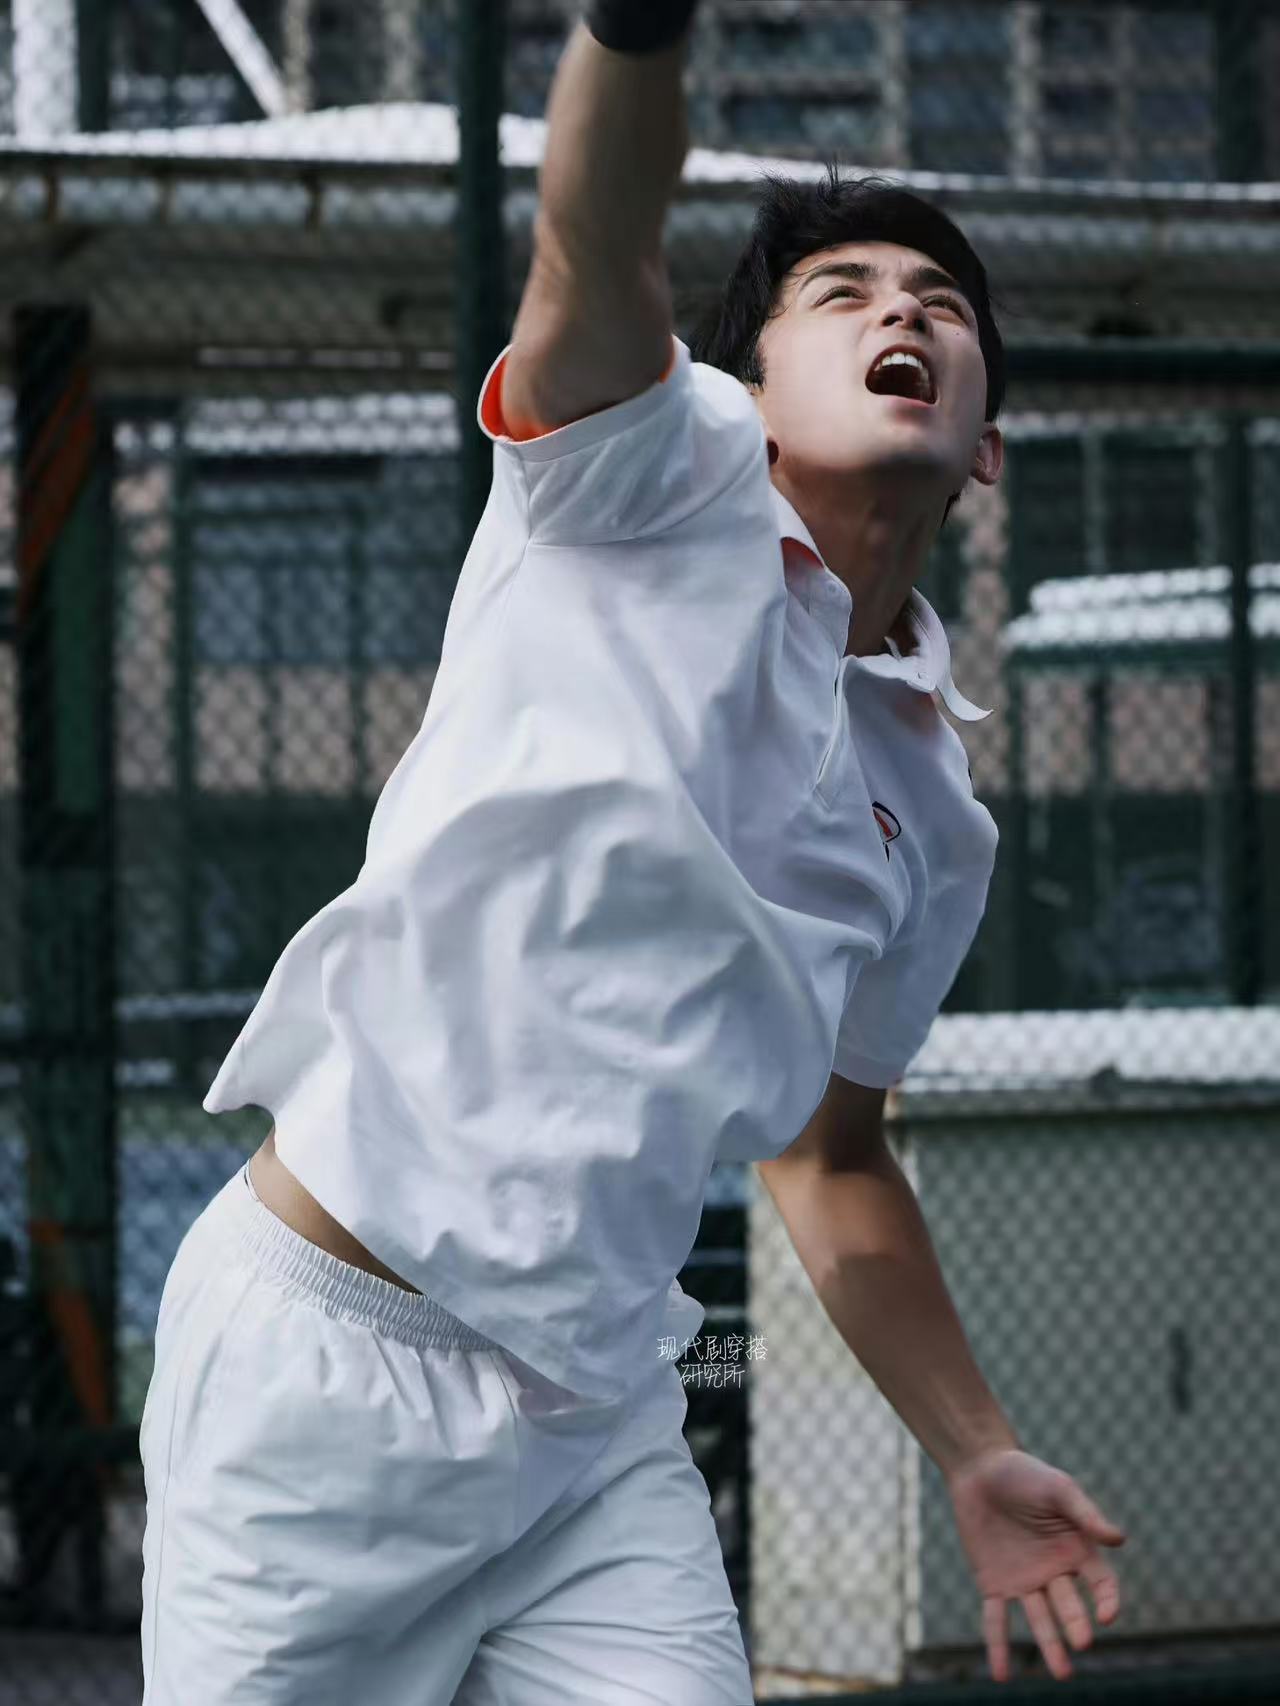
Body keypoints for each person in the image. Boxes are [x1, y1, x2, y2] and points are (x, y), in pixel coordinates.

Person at [139, 4, 1126, 1700]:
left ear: (986, 443)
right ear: (748, 386)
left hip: (597, 1430)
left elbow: (833, 1160)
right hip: (323, 1371)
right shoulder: (646, 471)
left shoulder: (936, 815)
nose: (903, 312)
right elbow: (593, 242)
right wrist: (637, 26)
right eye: (845, 294)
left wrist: (974, 1447)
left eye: (942, 306)